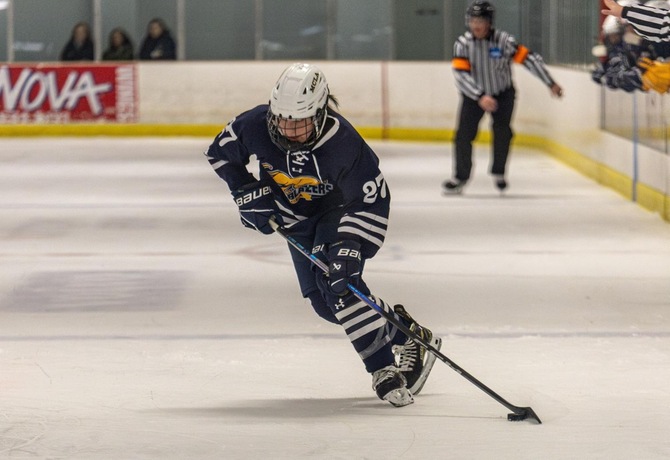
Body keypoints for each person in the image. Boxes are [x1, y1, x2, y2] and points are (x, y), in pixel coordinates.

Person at [204, 63, 442, 407]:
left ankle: (382, 369)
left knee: (339, 287)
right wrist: (244, 190)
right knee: (325, 305)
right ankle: (406, 333)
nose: (288, 129)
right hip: (296, 220)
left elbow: (372, 199)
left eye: (299, 122)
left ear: (320, 112)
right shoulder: (255, 124)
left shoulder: (344, 144)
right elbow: (220, 153)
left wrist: (350, 245)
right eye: (282, 119)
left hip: (340, 213)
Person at [442, 1, 563, 195]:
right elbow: (460, 75)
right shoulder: (462, 44)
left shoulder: (504, 41)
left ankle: (499, 172)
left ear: (489, 22)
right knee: (463, 136)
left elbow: (529, 59)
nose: (476, 25)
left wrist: (550, 82)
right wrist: (480, 96)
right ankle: (460, 177)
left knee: (502, 132)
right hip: (474, 96)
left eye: (480, 20)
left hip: (503, 94)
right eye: (473, 20)